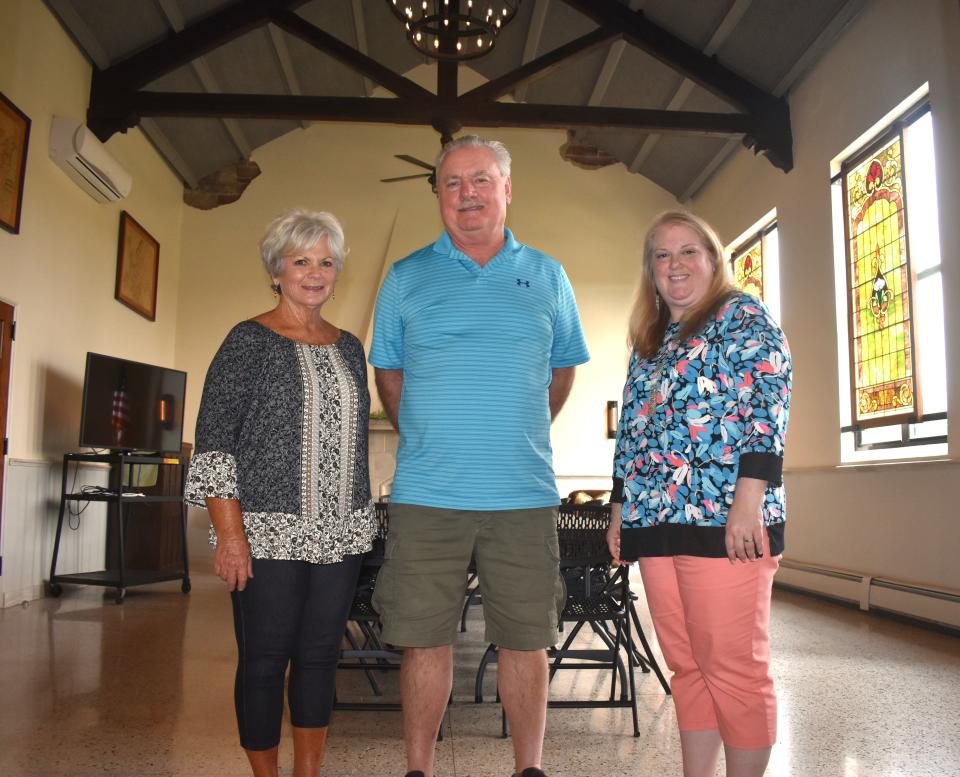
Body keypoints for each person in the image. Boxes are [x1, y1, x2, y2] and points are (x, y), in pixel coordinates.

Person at [369, 135, 590, 777]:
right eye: (452, 183)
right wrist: (433, 433)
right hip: (427, 493)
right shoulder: (406, 276)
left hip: (522, 493)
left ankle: (529, 768)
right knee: (422, 637)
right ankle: (419, 769)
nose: (467, 194)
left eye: (481, 180)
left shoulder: (548, 274)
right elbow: (390, 373)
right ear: (438, 195)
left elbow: (562, 370)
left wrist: (516, 429)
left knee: (527, 638)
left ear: (507, 189)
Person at [185, 209, 377, 777]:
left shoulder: (349, 349)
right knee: (265, 660)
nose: (315, 273)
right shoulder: (248, 340)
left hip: (340, 534)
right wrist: (229, 536)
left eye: (326, 262)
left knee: (321, 658)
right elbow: (215, 442)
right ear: (277, 271)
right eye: (301, 261)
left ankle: (307, 773)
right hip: (266, 534)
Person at [607, 211, 792, 777]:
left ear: (713, 259)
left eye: (689, 251)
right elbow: (634, 430)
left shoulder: (744, 316)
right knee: (686, 666)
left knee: (733, 667)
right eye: (662, 256)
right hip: (656, 520)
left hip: (725, 519)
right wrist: (619, 507)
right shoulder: (649, 342)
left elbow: (769, 406)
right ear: (651, 272)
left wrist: (747, 503)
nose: (675, 265)